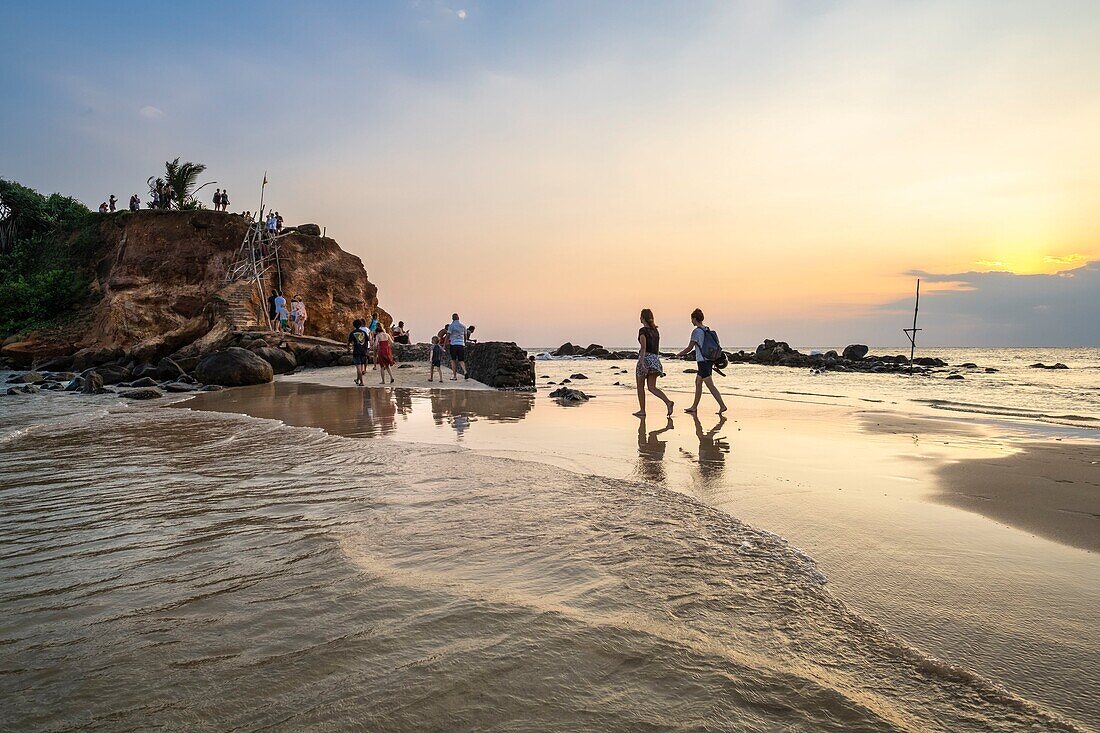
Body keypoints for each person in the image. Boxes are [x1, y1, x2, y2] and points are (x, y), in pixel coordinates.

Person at [675, 308, 727, 414]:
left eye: (692, 319)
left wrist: (679, 354)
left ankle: (722, 405)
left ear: (694, 319)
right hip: (709, 360)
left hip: (702, 361)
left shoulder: (696, 332)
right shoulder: (707, 329)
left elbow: (690, 348)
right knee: (698, 382)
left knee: (710, 385)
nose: (691, 321)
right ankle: (694, 407)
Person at [633, 308, 675, 417]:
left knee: (640, 386)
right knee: (652, 387)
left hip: (645, 359)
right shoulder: (655, 331)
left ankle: (642, 410)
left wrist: (642, 363)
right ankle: (668, 402)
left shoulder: (643, 331)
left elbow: (643, 348)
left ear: (643, 318)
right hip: (655, 360)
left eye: (641, 316)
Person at [347, 319, 370, 386]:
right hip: (363, 352)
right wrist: (366, 350)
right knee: (360, 367)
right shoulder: (363, 333)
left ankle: (362, 382)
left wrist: (348, 349)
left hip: (356, 351)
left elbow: (349, 343)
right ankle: (357, 380)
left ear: (354, 325)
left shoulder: (352, 333)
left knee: (358, 368)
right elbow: (367, 341)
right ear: (360, 325)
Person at [447, 313, 467, 380]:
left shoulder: (451, 326)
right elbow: (465, 337)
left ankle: (454, 376)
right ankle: (465, 371)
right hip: (461, 344)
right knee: (461, 360)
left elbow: (448, 336)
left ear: (452, 318)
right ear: (458, 318)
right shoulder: (463, 326)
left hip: (453, 344)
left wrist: (445, 344)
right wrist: (464, 343)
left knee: (453, 360)